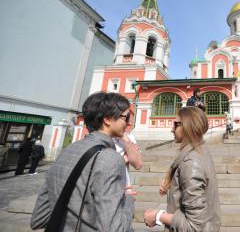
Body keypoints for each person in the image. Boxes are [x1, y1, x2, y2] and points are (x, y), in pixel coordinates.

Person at [31, 92, 135, 231]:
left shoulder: (66, 151)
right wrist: (128, 200)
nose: (128, 123)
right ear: (108, 119)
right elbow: (115, 228)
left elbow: (39, 217)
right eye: (126, 117)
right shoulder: (110, 158)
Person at [144, 107, 221, 231]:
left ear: (187, 126)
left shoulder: (191, 162)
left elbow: (194, 226)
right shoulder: (199, 150)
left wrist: (158, 216)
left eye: (175, 124)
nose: (171, 129)